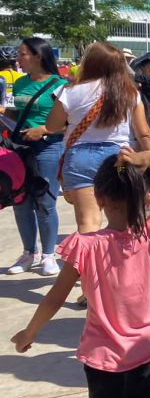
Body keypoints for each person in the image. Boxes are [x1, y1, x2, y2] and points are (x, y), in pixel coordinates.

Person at [10, 147, 150, 398]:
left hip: (101, 352)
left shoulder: (84, 246)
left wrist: (29, 333)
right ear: (148, 197)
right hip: (145, 346)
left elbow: (55, 298)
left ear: (98, 197)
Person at [25, 42, 150, 234]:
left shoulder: (69, 91)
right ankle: (121, 262)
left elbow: (52, 126)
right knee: (123, 219)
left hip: (80, 159)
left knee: (88, 222)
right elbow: (144, 134)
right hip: (118, 160)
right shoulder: (129, 93)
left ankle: (89, 262)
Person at [4, 38, 68, 275]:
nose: (18, 60)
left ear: (38, 56)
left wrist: (45, 130)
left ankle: (49, 255)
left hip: (47, 148)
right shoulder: (20, 83)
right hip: (19, 148)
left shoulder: (60, 85)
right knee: (20, 202)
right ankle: (29, 253)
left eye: (22, 55)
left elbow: (72, 122)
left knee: (45, 201)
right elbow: (16, 111)